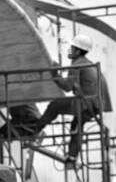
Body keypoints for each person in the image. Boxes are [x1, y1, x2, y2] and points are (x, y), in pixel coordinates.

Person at [26, 35, 112, 167]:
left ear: (78, 51)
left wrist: (55, 74)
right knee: (76, 126)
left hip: (86, 103)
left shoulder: (78, 64)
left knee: (55, 106)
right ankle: (72, 157)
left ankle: (35, 131)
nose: (69, 50)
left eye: (72, 48)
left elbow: (67, 86)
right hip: (95, 104)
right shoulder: (88, 63)